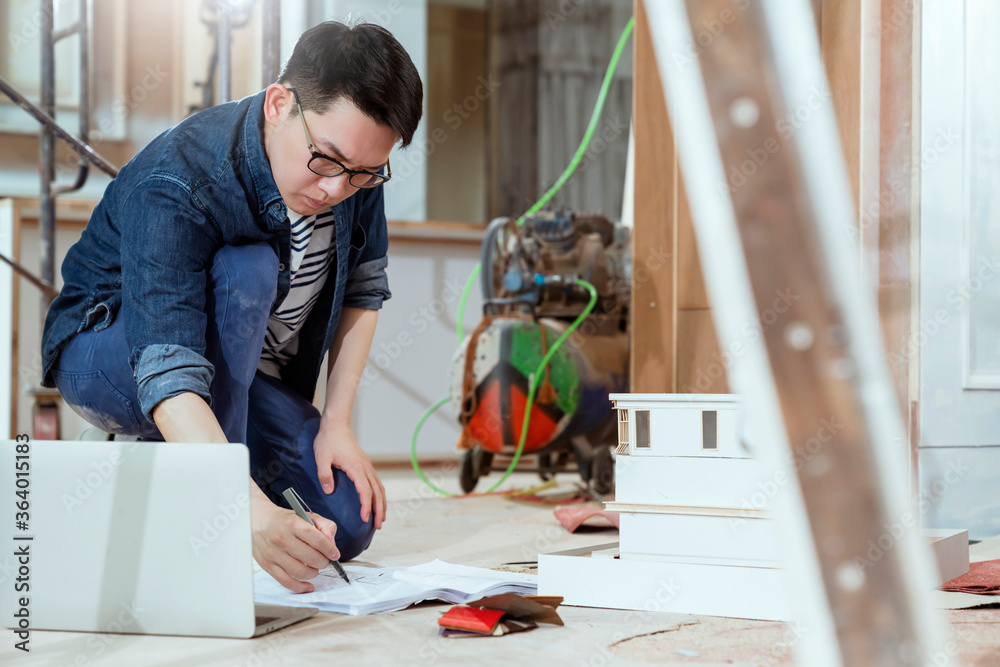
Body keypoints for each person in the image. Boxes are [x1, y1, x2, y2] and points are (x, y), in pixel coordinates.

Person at [39, 21, 423, 593]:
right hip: (109, 352)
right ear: (278, 105)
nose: (336, 190)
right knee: (248, 267)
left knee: (344, 524)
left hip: (229, 379)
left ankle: (198, 468)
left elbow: (365, 291)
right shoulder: (180, 176)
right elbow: (165, 366)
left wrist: (337, 424)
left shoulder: (353, 167)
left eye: (366, 174)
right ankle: (192, 481)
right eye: (327, 161)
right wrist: (245, 511)